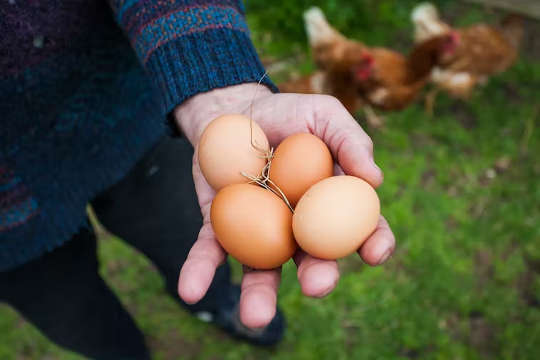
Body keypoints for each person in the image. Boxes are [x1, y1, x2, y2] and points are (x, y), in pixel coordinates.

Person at [0, 1, 396, 359]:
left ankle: (214, 302)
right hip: (9, 233)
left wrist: (212, 78)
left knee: (180, 233)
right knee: (73, 312)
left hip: (126, 118)